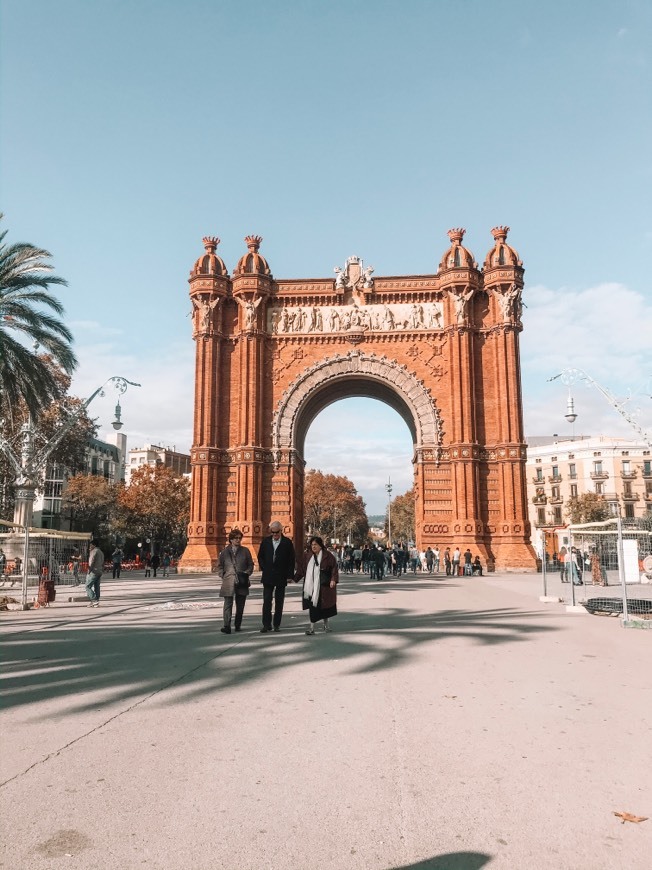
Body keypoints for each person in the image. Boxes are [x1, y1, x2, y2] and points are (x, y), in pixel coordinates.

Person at [257, 520, 296, 633]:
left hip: (281, 575)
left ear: (281, 531)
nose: (274, 535)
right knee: (267, 600)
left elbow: (291, 560)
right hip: (268, 575)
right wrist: (265, 567)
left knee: (279, 601)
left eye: (276, 532)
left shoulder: (287, 543)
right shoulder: (266, 542)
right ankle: (266, 624)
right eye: (272, 532)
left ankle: (276, 624)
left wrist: (289, 575)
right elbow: (260, 557)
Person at [296, 536, 339, 635]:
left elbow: (334, 568)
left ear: (320, 545)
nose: (313, 546)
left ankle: (326, 625)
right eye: (312, 545)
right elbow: (302, 569)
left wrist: (333, 580)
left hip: (324, 586)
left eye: (315, 544)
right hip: (311, 586)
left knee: (325, 606)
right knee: (313, 607)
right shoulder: (307, 556)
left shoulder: (328, 556)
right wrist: (294, 578)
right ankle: (312, 628)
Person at [216, 529, 254, 634]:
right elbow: (219, 566)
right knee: (228, 604)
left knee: (240, 604)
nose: (238, 540)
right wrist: (223, 575)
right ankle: (226, 625)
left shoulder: (245, 551)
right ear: (231, 539)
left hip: (242, 580)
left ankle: (237, 624)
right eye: (236, 538)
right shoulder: (224, 552)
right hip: (228, 581)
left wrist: (247, 573)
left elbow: (251, 564)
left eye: (239, 538)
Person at [85, 539, 104, 607]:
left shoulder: (94, 551)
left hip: (94, 571)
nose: (89, 546)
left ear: (94, 545)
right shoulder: (101, 552)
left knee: (87, 586)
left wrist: (89, 570)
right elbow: (102, 563)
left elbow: (91, 562)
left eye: (91, 545)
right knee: (96, 586)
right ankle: (96, 601)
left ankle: (94, 600)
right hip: (99, 571)